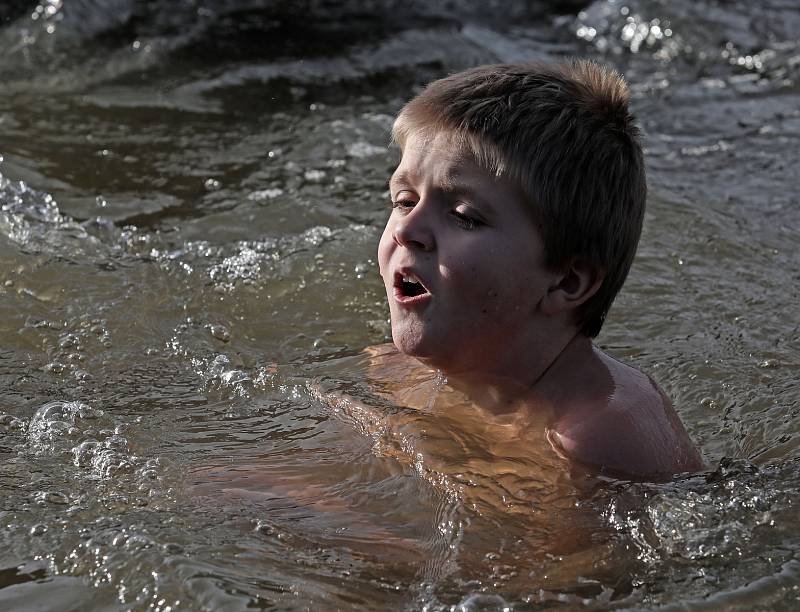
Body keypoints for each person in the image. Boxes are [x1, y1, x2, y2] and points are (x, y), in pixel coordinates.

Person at [372, 59, 703, 480]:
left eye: (464, 215)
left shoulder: (599, 438)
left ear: (566, 281)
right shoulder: (398, 374)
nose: (408, 229)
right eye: (403, 200)